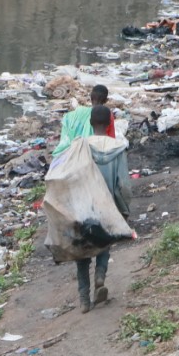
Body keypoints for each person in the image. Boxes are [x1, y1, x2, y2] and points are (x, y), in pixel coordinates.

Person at [76, 105, 132, 313]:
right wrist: (123, 208)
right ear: (110, 124)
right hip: (107, 204)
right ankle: (100, 274)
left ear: (90, 124)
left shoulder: (80, 147)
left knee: (82, 251)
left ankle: (83, 298)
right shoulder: (118, 148)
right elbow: (124, 184)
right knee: (105, 241)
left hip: (83, 205)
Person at [51, 84, 115, 158]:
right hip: (97, 154)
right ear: (106, 100)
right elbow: (111, 139)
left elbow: (66, 134)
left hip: (71, 153)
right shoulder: (107, 114)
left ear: (90, 98)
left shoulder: (75, 114)